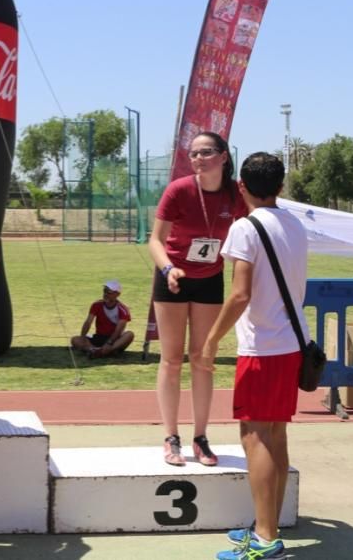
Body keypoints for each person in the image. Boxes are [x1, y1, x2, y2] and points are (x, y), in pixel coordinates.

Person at [198, 153, 305, 560]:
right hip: (291, 344)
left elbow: (240, 294)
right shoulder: (293, 223)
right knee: (275, 434)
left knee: (255, 436)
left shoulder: (245, 228)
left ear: (241, 186)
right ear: (280, 186)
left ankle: (264, 540)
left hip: (262, 348)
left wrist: (209, 341)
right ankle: (268, 527)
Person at [148, 131, 246, 467]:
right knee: (172, 359)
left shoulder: (236, 194)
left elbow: (247, 238)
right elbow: (155, 241)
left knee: (203, 358)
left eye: (205, 152)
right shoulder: (179, 189)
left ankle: (201, 437)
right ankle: (170, 436)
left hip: (210, 279)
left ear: (223, 157)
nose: (198, 159)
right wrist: (168, 270)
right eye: (193, 154)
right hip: (173, 278)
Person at [70, 280, 134, 358]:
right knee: (75, 339)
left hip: (114, 340)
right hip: (99, 337)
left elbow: (119, 330)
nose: (105, 294)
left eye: (109, 292)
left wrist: (109, 343)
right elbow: (88, 322)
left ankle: (100, 350)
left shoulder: (123, 309)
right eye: (104, 291)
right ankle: (98, 351)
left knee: (130, 334)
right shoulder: (96, 305)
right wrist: (83, 337)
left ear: (117, 294)